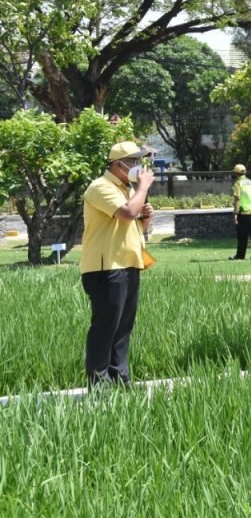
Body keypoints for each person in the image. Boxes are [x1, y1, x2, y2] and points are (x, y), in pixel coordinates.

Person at [80, 141, 155, 387]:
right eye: (133, 161)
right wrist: (143, 187)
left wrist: (145, 218)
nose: (137, 166)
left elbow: (132, 225)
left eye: (139, 161)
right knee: (105, 327)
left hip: (128, 264)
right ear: (117, 164)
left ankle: (120, 380)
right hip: (106, 268)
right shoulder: (100, 187)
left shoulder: (128, 190)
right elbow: (126, 214)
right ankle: (99, 384)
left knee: (123, 328)